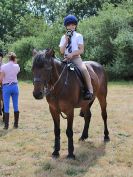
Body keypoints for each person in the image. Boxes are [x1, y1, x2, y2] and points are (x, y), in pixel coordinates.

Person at [59, 14, 93, 100]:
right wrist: (66, 40)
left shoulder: (79, 36)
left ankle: (89, 90)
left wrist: (73, 54)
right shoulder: (63, 37)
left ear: (75, 25)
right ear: (66, 26)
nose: (71, 26)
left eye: (73, 24)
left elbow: (81, 50)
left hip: (76, 59)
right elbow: (62, 51)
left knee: (84, 70)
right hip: (66, 59)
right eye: (69, 25)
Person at [0, 52, 20, 129]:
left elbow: (1, 79)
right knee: (16, 105)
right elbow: (16, 71)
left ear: (8, 58)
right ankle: (16, 124)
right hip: (15, 86)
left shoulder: (4, 67)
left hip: (6, 87)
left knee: (6, 106)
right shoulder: (17, 66)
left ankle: (6, 125)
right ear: (14, 58)